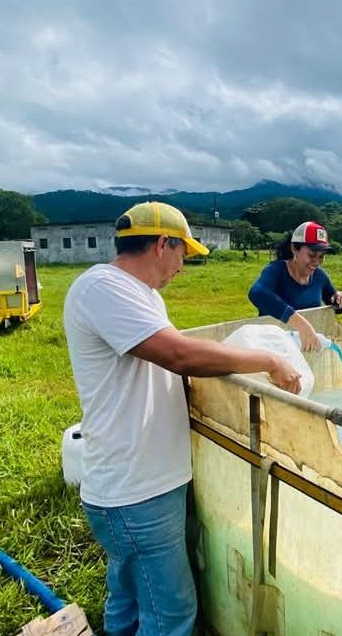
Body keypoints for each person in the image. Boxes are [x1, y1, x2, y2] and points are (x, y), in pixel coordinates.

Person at [63, 202, 302, 636]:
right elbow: (179, 355)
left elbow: (167, 355)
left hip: (141, 481)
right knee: (170, 613)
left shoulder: (143, 296)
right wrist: (268, 358)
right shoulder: (102, 288)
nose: (182, 267)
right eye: (182, 254)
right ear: (161, 244)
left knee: (130, 593)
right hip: (135, 488)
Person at [248, 220, 342, 351]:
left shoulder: (320, 277)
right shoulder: (276, 271)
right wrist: (301, 324)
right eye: (312, 255)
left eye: (321, 257)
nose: (317, 262)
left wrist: (340, 299)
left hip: (306, 348)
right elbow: (257, 293)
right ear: (294, 248)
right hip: (274, 350)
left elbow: (336, 306)